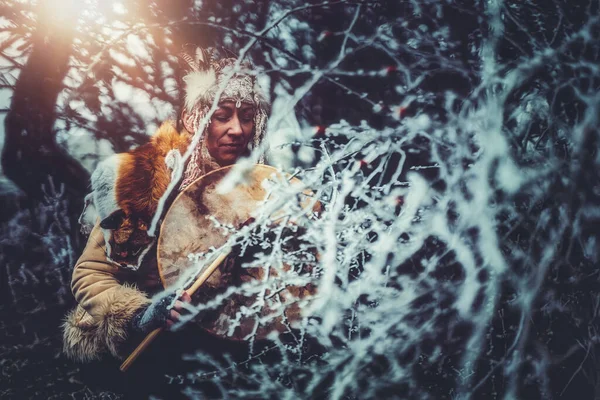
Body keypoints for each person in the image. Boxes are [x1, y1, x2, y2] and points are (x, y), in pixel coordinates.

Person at [62, 47, 270, 363]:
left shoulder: (257, 188)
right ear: (191, 118)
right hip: (141, 343)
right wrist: (142, 315)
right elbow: (92, 272)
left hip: (218, 341)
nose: (238, 129)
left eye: (246, 116)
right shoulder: (142, 180)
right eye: (222, 115)